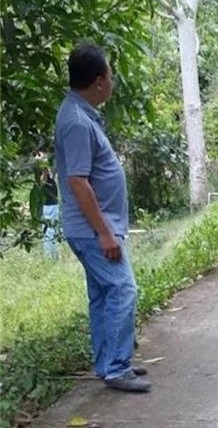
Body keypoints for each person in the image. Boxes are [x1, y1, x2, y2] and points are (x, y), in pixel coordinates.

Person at [54, 43, 151, 392]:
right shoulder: (77, 122)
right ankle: (115, 368)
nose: (112, 82)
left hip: (93, 228)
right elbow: (78, 182)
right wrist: (105, 233)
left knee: (103, 295)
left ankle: (109, 361)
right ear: (98, 81)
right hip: (93, 230)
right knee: (124, 290)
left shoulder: (79, 114)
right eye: (110, 75)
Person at [36, 152, 60, 259]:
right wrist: (45, 171)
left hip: (52, 204)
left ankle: (53, 255)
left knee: (53, 230)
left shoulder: (47, 171)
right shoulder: (42, 171)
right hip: (48, 205)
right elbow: (42, 182)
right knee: (50, 230)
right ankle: (50, 255)